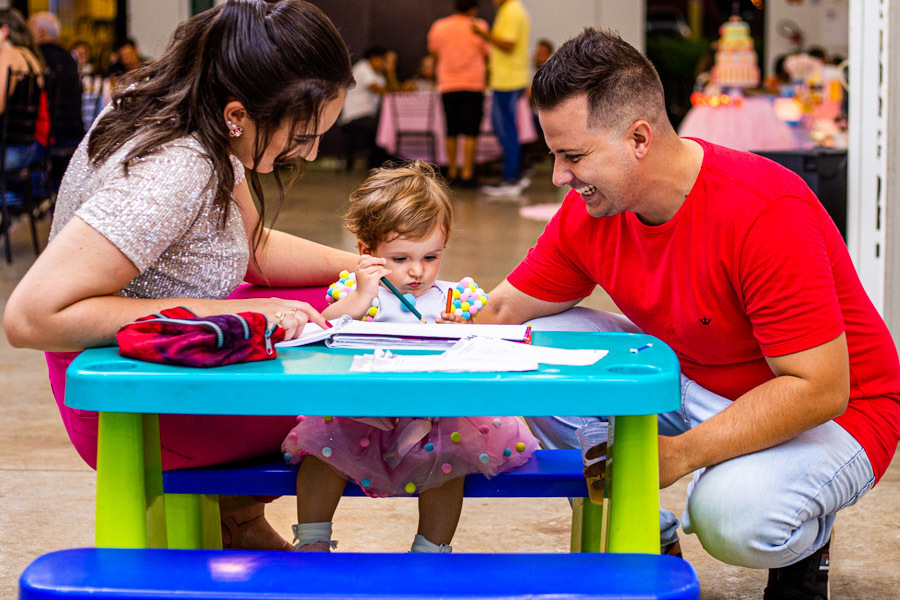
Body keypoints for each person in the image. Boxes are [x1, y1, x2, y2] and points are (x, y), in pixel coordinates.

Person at [478, 28, 898, 599]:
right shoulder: (593, 211)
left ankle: (805, 537)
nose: (559, 177)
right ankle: (648, 531)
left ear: (640, 139)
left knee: (733, 518)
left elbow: (820, 389)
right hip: (697, 378)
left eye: (573, 156)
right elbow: (502, 310)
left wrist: (678, 455)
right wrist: (401, 332)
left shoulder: (764, 210)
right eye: (555, 155)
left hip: (834, 409)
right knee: (534, 347)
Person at [4, 0, 358, 552]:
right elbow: (31, 317)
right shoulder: (178, 168)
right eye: (302, 135)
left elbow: (254, 248)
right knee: (353, 370)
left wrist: (364, 267)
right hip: (125, 396)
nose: (308, 155)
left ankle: (234, 517)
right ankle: (241, 521)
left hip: (155, 364)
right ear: (240, 112)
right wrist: (231, 312)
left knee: (339, 300)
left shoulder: (205, 115)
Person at [281, 161, 538, 552]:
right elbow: (320, 332)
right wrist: (358, 299)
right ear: (367, 252)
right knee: (322, 449)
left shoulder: (454, 297)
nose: (418, 271)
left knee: (450, 466)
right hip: (361, 411)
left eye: (431, 257)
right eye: (400, 259)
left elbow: (486, 344)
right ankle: (312, 540)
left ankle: (432, 550)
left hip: (434, 414)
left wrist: (460, 329)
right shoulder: (358, 291)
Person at [428, 0, 489, 188]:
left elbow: (434, 54)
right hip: (473, 84)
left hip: (447, 85)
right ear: (473, 8)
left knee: (451, 130)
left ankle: (453, 171)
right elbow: (487, 53)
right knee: (471, 131)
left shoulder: (439, 26)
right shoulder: (479, 26)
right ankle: (468, 173)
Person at [473, 0, 530, 197]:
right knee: (503, 129)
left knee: (506, 130)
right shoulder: (508, 9)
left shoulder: (512, 11)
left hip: (508, 81)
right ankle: (514, 173)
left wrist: (483, 35)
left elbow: (508, 44)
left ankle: (512, 177)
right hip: (504, 80)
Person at [28, 11, 85, 183]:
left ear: (41, 32)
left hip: (52, 136)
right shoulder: (68, 57)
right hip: (74, 132)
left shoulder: (38, 58)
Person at [0, 9, 45, 171]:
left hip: (9, 150)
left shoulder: (8, 55)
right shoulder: (32, 57)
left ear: (4, 31)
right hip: (29, 146)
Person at [340, 45, 398, 170]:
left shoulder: (377, 74)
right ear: (374, 58)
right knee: (382, 127)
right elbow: (378, 89)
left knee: (385, 125)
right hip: (355, 115)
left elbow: (391, 89)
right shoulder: (363, 67)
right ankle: (377, 164)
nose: (384, 64)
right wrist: (390, 73)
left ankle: (381, 163)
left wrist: (390, 72)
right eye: (384, 60)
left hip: (368, 115)